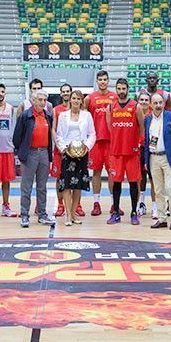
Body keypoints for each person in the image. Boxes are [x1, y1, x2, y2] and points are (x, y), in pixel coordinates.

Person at [12, 89, 55, 228]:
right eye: (40, 100)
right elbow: (16, 138)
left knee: (42, 187)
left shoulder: (48, 116)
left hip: (44, 153)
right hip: (30, 154)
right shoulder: (25, 116)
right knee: (27, 187)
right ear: (33, 100)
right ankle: (24, 215)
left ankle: (42, 215)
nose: (43, 103)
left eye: (44, 100)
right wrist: (23, 152)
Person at [106, 79, 145, 225]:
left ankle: (134, 212)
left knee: (133, 183)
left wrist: (137, 142)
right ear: (116, 90)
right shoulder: (111, 106)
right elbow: (111, 128)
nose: (121, 91)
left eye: (124, 88)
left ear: (128, 89)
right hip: (116, 151)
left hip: (132, 151)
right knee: (116, 183)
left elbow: (141, 127)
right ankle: (116, 212)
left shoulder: (136, 106)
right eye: (119, 88)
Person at [145, 93, 171, 231]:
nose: (157, 105)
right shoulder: (147, 120)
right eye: (155, 103)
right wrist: (146, 159)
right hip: (153, 157)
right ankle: (162, 218)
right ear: (151, 104)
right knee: (158, 190)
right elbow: (146, 141)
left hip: (168, 158)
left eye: (160, 103)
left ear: (164, 104)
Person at [55, 90, 96, 226]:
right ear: (70, 100)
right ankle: (67, 215)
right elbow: (59, 135)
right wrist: (64, 148)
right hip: (68, 153)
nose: (76, 100)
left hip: (82, 154)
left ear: (81, 101)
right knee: (67, 184)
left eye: (79, 98)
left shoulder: (87, 115)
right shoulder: (62, 116)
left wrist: (87, 147)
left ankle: (73, 213)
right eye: (74, 98)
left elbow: (92, 134)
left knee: (78, 185)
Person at [84, 70, 118, 216]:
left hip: (112, 142)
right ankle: (96, 203)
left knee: (112, 173)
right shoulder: (90, 98)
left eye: (105, 79)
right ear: (97, 81)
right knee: (96, 172)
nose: (103, 82)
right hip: (96, 141)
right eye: (100, 79)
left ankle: (113, 204)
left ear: (108, 81)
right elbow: (86, 120)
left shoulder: (115, 97)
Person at [51, 83, 85, 218]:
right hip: (61, 150)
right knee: (60, 178)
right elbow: (53, 129)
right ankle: (60, 205)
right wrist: (59, 146)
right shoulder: (56, 110)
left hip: (77, 152)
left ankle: (77, 206)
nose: (65, 93)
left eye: (68, 91)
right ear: (61, 94)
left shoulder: (80, 111)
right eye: (63, 91)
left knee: (77, 177)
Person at [0, 83, 19, 218]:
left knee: (6, 180)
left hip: (7, 148)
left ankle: (6, 205)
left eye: (2, 91)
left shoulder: (11, 108)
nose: (0, 94)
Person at [136, 91, 157, 219]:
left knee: (153, 178)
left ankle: (155, 206)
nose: (143, 102)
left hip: (149, 149)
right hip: (138, 149)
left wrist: (152, 147)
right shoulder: (135, 113)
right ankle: (141, 203)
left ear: (149, 102)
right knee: (140, 178)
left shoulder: (153, 115)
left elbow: (155, 132)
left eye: (145, 100)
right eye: (141, 100)